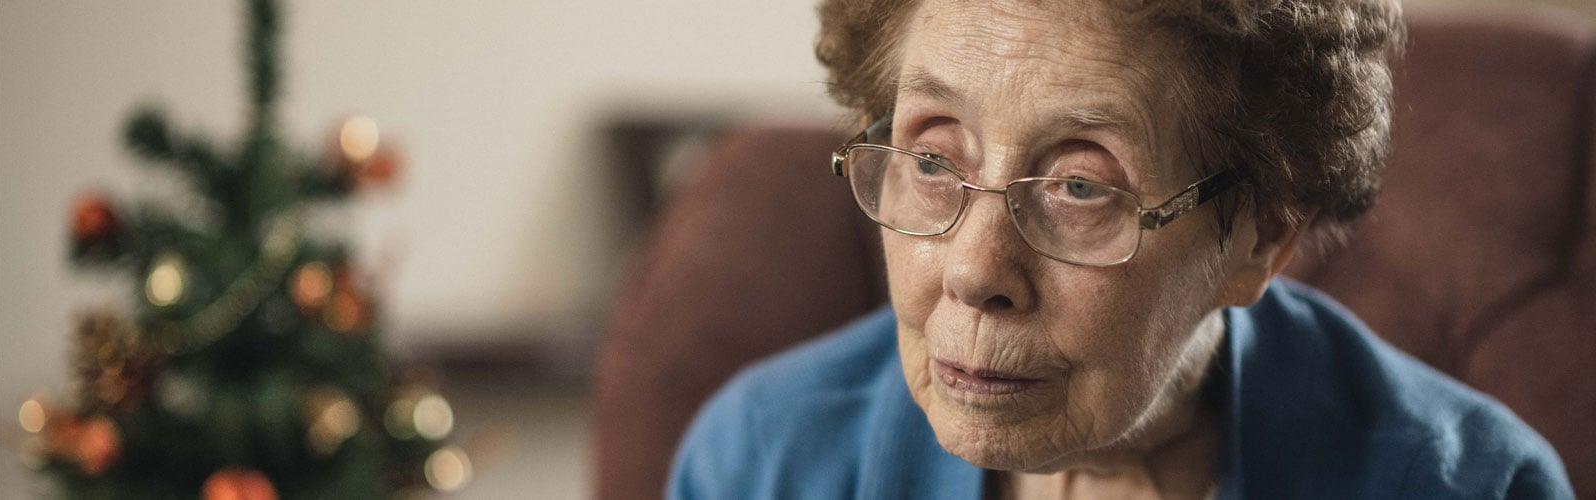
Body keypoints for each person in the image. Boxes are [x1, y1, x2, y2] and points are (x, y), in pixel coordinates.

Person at [668, 0, 1575, 498]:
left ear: (1259, 238)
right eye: (934, 160)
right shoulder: (762, 462)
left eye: (1080, 185)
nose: (974, 271)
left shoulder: (1468, 486)